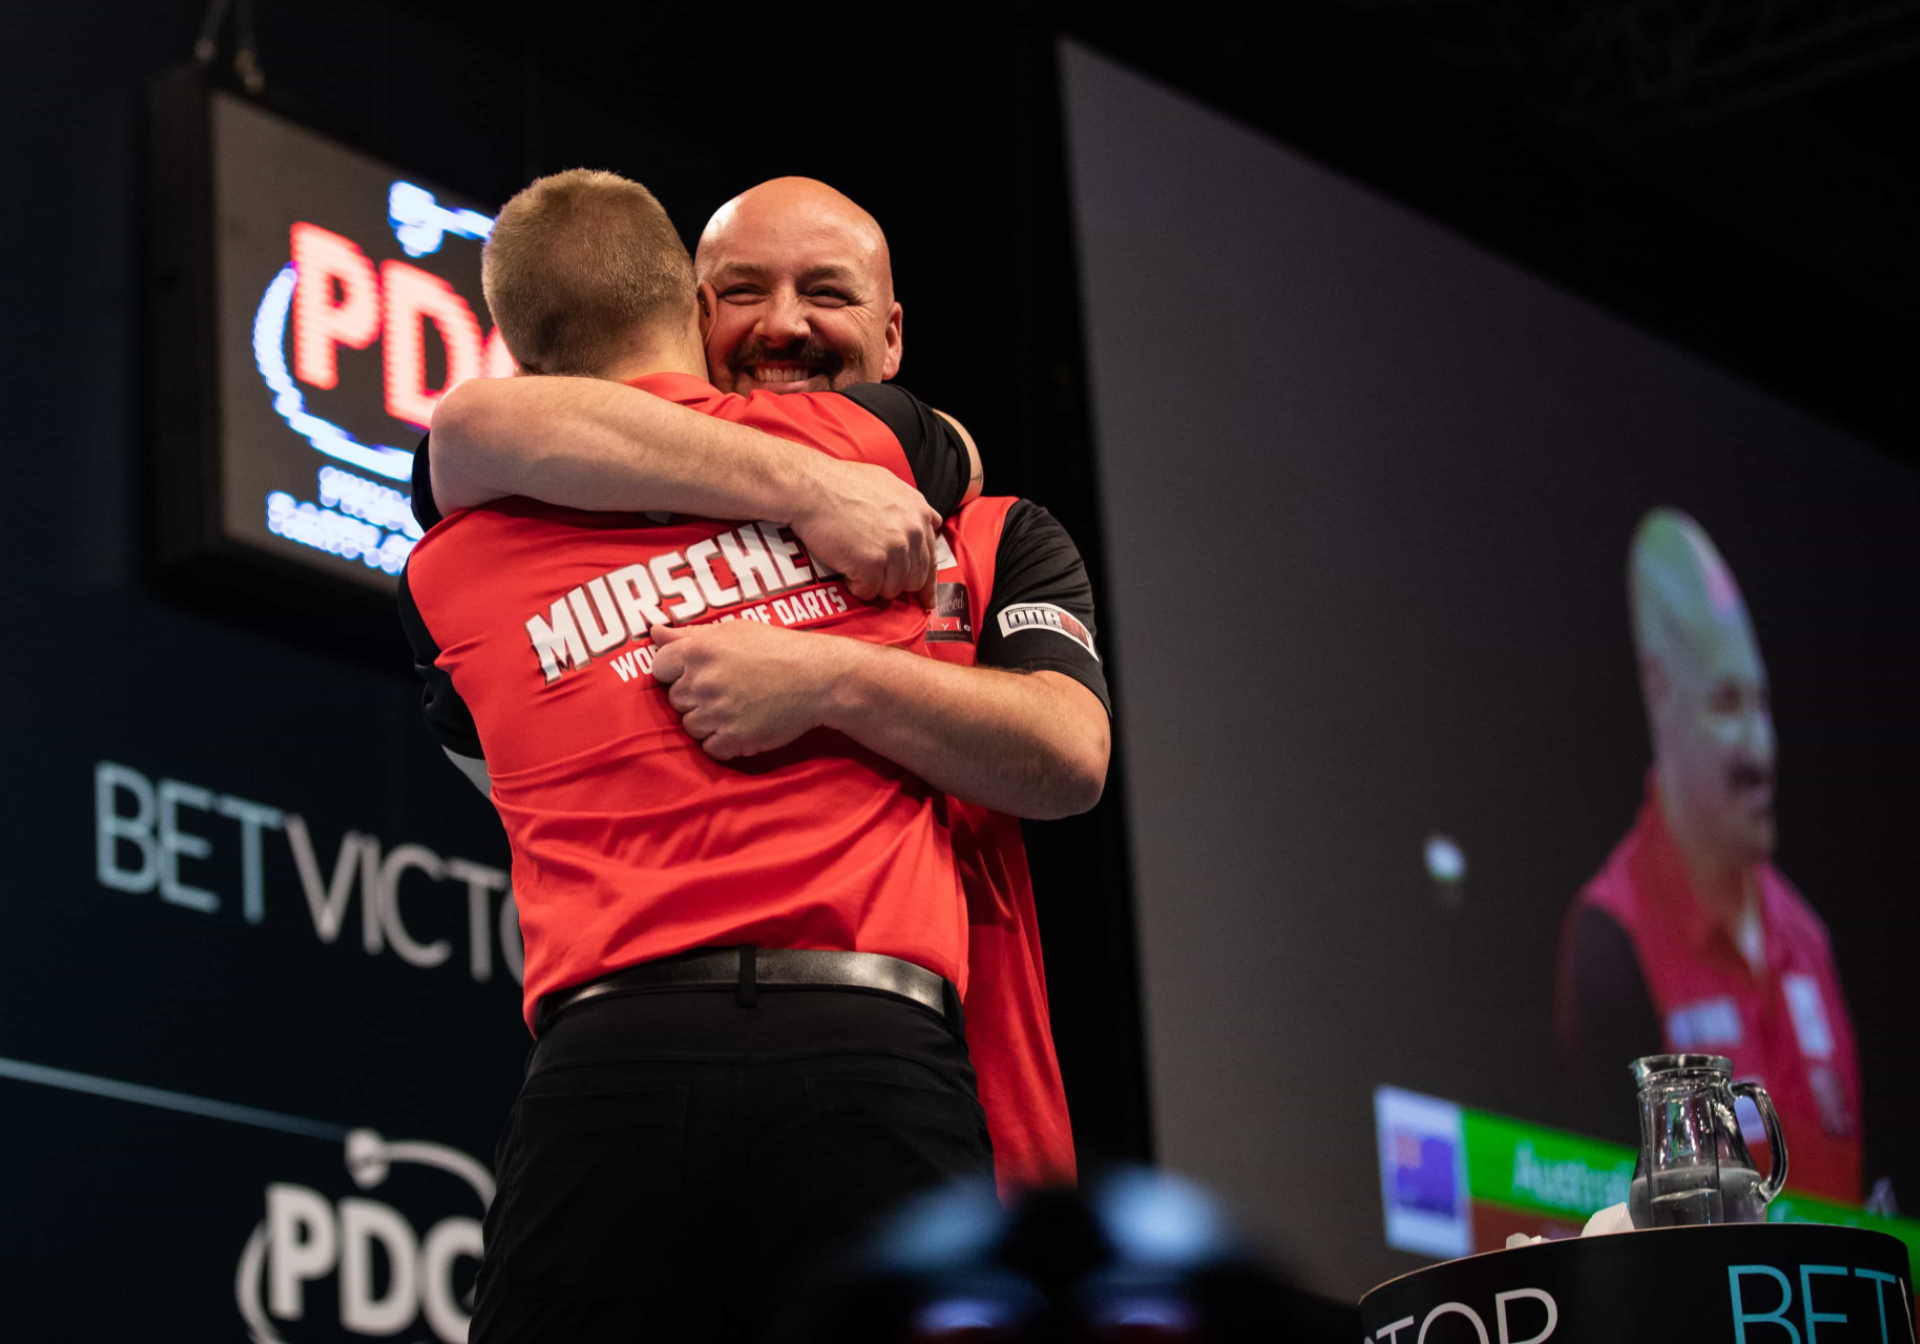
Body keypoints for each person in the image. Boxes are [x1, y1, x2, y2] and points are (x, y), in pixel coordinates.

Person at [399, 168, 999, 1342]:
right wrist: (811, 488)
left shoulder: (440, 577)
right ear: (688, 300)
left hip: (607, 1072)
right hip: (871, 1046)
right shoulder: (869, 442)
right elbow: (966, 460)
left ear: (519, 348)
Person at [1554, 508, 1861, 1202]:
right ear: (1661, 693)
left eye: (1762, 703)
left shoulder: (1809, 939)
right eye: (1727, 703)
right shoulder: (1611, 941)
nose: (1761, 751)